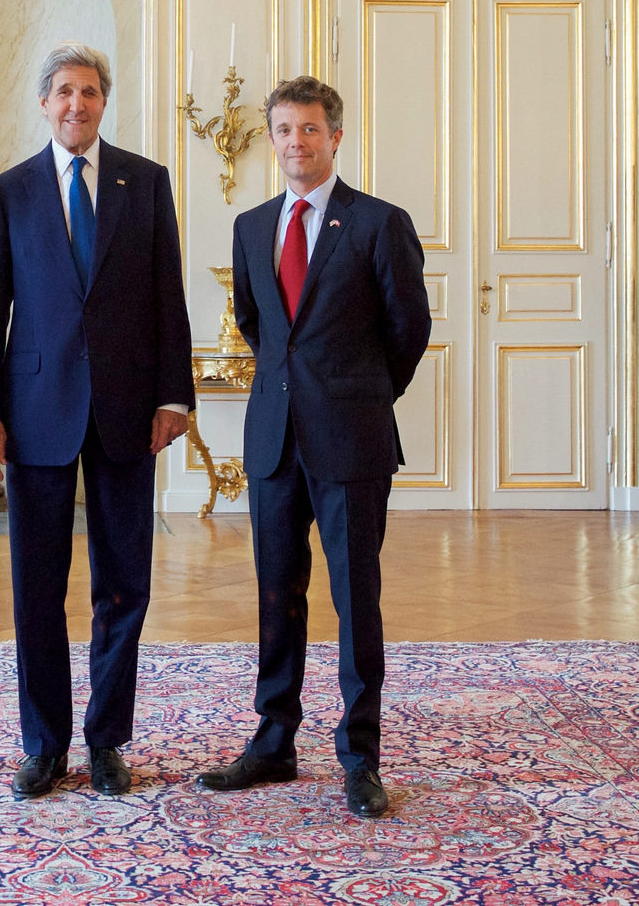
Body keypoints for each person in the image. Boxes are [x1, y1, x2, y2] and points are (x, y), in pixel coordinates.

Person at [196, 75, 431, 819]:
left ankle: (360, 754)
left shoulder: (377, 223)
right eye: (284, 129)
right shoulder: (251, 224)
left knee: (355, 598)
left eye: (309, 129)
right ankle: (274, 740)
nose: (295, 141)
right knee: (276, 592)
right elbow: (256, 325)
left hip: (351, 437)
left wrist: (356, 391)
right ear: (271, 139)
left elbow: (409, 329)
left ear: (335, 136)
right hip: (273, 440)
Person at [0, 42, 194, 800]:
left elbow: (170, 296)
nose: (77, 103)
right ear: (43, 102)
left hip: (130, 409)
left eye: (90, 92)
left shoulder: (146, 181)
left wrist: (175, 395)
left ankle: (106, 739)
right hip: (34, 412)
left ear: (104, 101)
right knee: (37, 585)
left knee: (124, 582)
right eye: (64, 91)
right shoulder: (10, 192)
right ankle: (43, 743)